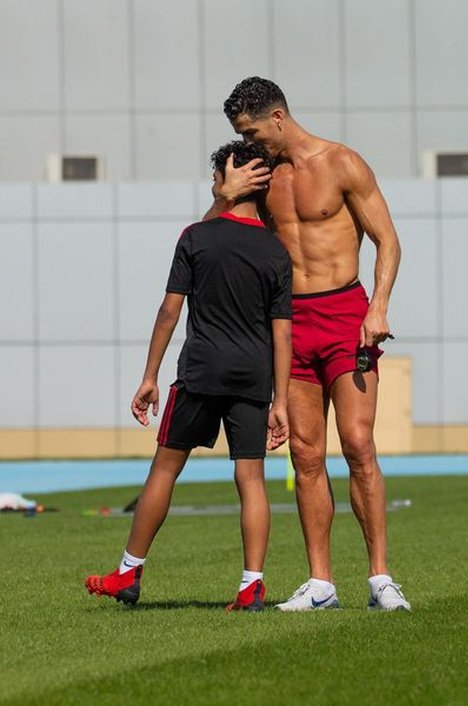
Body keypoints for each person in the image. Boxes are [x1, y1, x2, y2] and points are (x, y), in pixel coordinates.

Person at [205, 77, 410, 612]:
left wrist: (379, 306)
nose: (250, 144)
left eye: (252, 132)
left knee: (360, 446)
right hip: (289, 324)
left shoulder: (342, 162)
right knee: (306, 455)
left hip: (346, 316)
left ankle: (381, 579)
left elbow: (388, 240)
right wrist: (224, 197)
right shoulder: (257, 176)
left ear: (277, 118)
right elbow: (206, 241)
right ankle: (321, 583)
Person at [85, 140, 293, 611]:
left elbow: (168, 312)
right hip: (254, 376)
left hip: (200, 371)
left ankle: (128, 574)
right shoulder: (277, 252)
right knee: (252, 479)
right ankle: (251, 586)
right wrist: (280, 400)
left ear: (229, 180)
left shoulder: (196, 237)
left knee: (165, 468)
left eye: (217, 176)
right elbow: (283, 335)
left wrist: (149, 376)